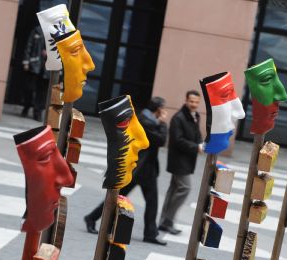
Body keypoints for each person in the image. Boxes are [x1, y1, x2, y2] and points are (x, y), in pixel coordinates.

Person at [84, 97, 168, 246]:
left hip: (147, 168)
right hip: (138, 167)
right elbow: (160, 140)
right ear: (158, 109)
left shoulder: (149, 119)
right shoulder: (145, 121)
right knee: (117, 197)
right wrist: (162, 124)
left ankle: (150, 233)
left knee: (151, 201)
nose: (165, 111)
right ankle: (92, 217)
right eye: (163, 108)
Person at [158, 90, 203, 235]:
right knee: (184, 188)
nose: (194, 104)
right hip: (179, 160)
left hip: (186, 159)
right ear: (186, 100)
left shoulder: (195, 116)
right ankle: (167, 221)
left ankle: (164, 221)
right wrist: (196, 147)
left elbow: (196, 134)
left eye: (196, 102)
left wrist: (201, 143)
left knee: (174, 189)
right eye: (191, 101)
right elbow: (177, 141)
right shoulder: (178, 118)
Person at [21, 25, 49, 121]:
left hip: (47, 68)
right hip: (34, 65)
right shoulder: (37, 30)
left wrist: (49, 52)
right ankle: (27, 105)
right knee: (29, 88)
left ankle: (38, 112)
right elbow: (29, 45)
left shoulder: (57, 33)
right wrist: (26, 61)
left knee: (42, 92)